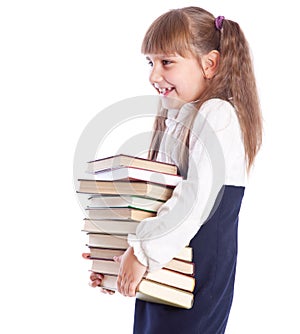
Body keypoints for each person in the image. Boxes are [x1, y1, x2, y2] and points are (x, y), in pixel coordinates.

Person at [83, 6, 262, 334]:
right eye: (150, 63)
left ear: (210, 64)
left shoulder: (217, 114)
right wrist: (118, 264)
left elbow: (193, 201)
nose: (154, 75)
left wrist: (142, 254)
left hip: (195, 275)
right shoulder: (177, 119)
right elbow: (158, 207)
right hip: (168, 272)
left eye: (167, 62)